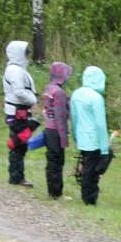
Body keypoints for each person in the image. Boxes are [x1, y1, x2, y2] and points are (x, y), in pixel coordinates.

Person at [70, 66, 114, 205]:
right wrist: (105, 148)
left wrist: (76, 136)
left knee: (87, 166)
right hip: (94, 138)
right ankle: (89, 198)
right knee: (92, 170)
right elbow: (100, 124)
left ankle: (87, 195)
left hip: (82, 136)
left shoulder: (76, 94)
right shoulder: (96, 98)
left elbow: (74, 117)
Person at [2, 40, 38, 187]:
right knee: (18, 143)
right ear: (18, 53)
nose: (28, 55)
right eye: (25, 52)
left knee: (20, 143)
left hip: (20, 112)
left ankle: (17, 176)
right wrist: (33, 99)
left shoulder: (16, 69)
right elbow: (18, 91)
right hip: (18, 113)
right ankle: (16, 177)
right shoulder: (15, 71)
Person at [42, 61, 72, 199]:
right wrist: (64, 138)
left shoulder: (49, 88)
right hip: (56, 131)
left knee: (51, 160)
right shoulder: (59, 92)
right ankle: (56, 193)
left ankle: (52, 191)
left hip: (48, 128)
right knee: (57, 162)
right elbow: (60, 117)